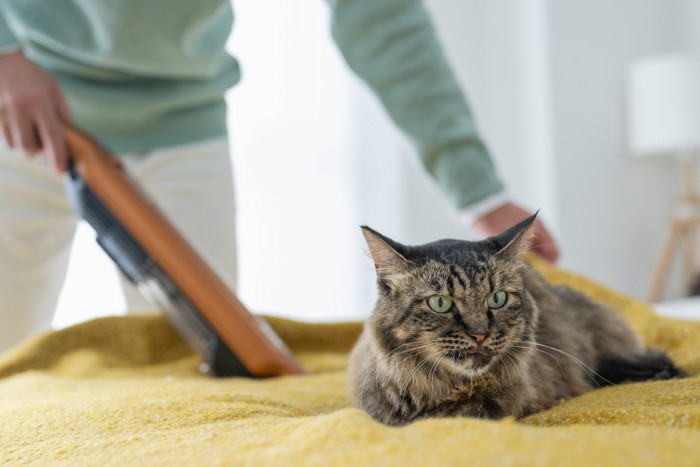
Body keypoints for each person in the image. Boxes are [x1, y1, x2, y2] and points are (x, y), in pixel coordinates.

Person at [0, 0, 558, 352]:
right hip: (19, 103)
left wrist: (479, 190)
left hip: (181, 123)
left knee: (194, 360)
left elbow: (383, 19)